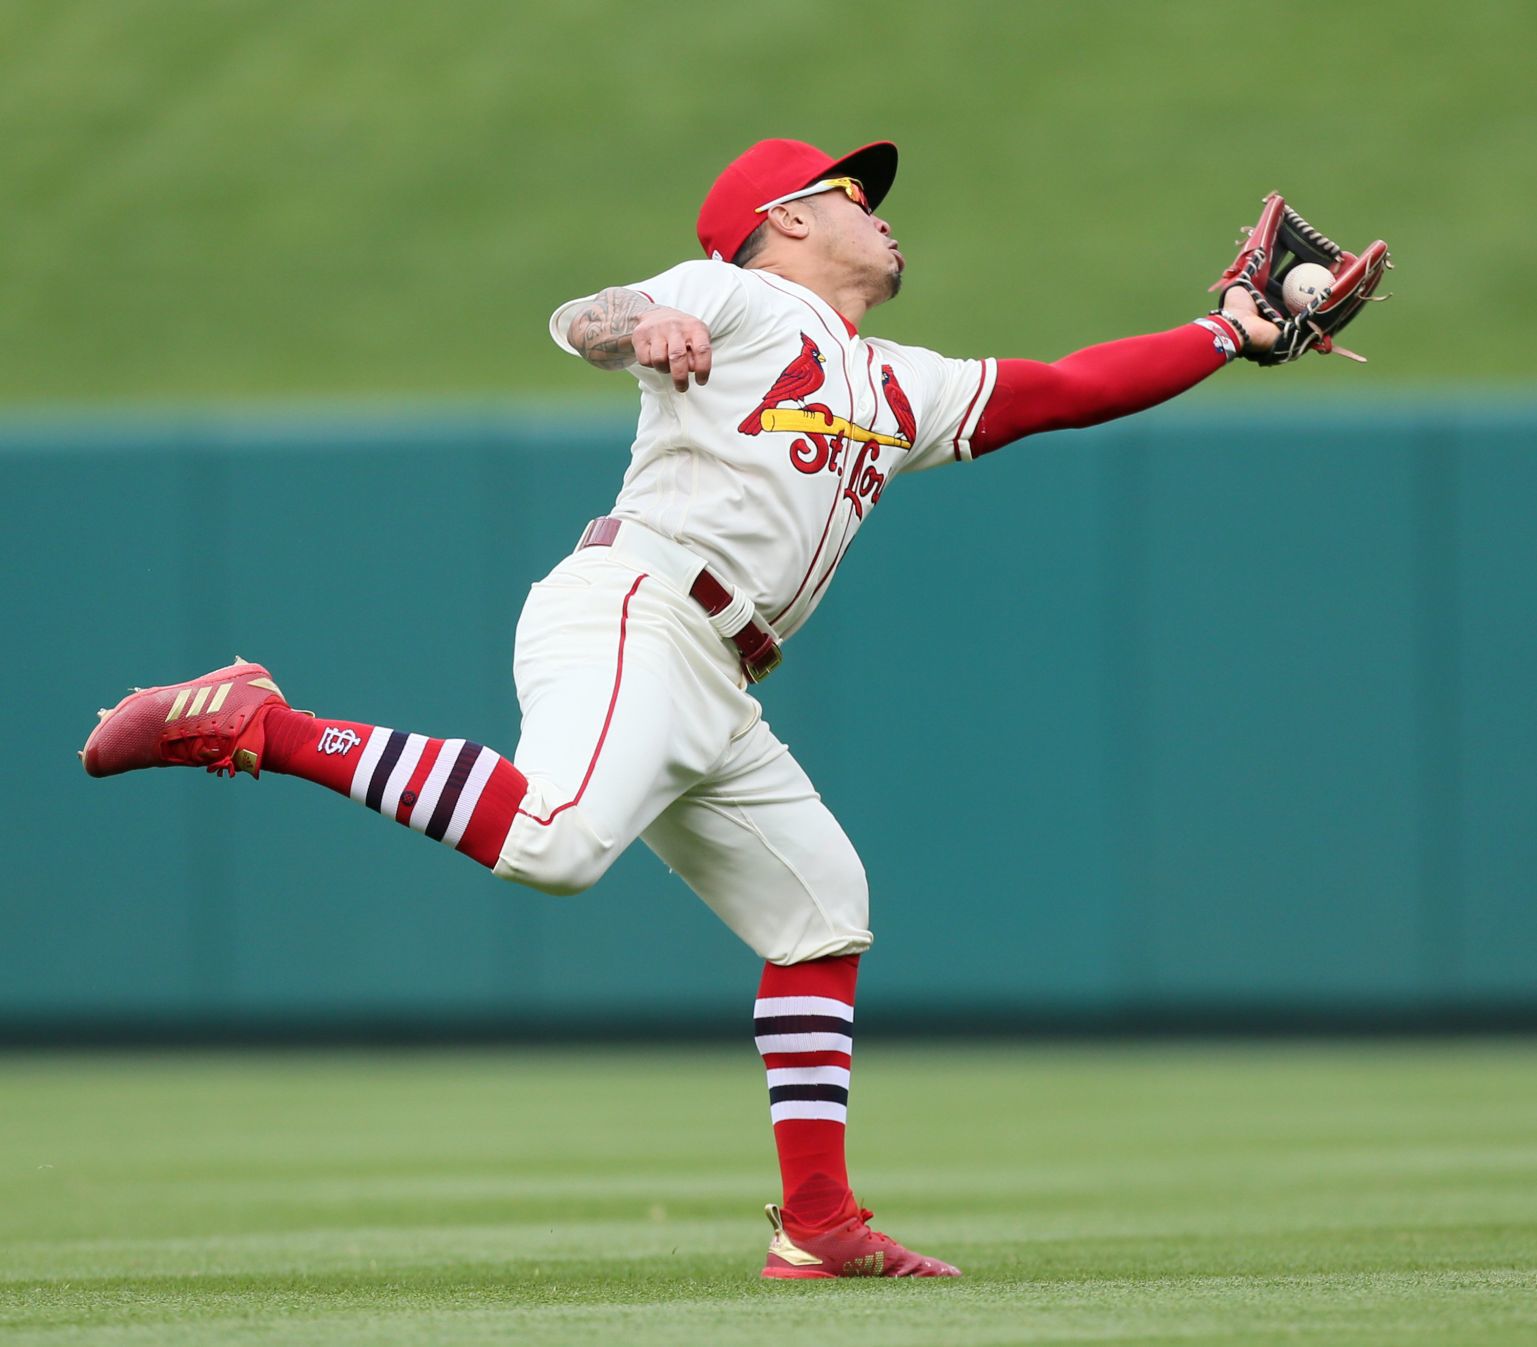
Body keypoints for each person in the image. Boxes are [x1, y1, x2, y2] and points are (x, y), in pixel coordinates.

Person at [82, 137, 1278, 1279]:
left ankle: (818, 1226)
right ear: (789, 220)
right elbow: (584, 318)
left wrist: (1228, 329)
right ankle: (255, 722)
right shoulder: (736, 296)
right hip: (638, 608)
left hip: (717, 676)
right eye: (854, 193)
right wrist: (641, 322)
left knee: (820, 910)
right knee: (552, 843)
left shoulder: (900, 384)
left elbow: (1067, 388)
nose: (879, 208)